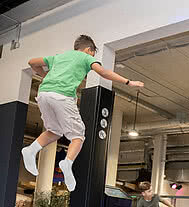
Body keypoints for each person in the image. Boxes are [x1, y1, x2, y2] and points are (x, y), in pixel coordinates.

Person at [22, 35, 144, 192]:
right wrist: (129, 82)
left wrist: (46, 76)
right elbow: (104, 73)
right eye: (93, 54)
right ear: (89, 50)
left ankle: (30, 150)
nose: (92, 57)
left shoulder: (59, 57)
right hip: (62, 96)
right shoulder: (85, 57)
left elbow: (32, 62)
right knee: (78, 136)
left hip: (44, 94)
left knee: (54, 131)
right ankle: (67, 163)